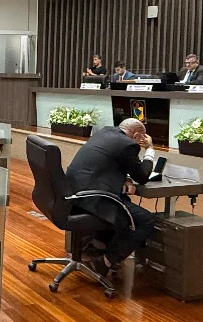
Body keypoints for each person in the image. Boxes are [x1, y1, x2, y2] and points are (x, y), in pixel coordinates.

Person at [65, 118, 157, 278]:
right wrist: (149, 149)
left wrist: (127, 178)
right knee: (144, 220)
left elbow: (111, 161)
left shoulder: (104, 132)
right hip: (93, 200)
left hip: (73, 195)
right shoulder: (128, 145)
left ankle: (100, 248)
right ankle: (105, 262)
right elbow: (142, 176)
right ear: (137, 135)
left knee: (125, 205)